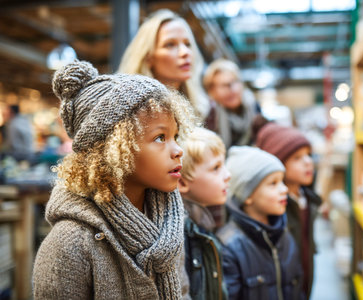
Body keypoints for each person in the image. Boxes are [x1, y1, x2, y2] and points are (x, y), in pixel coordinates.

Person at [32, 60, 196, 299]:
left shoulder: (168, 225)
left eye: (175, 136)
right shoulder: (69, 244)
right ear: (115, 147)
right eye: (160, 137)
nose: (178, 150)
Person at [217, 146, 305, 300]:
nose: (284, 189)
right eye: (273, 183)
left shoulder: (284, 234)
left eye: (282, 181)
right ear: (248, 195)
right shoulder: (228, 246)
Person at [256, 123, 323, 299]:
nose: (308, 162)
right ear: (278, 162)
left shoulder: (307, 199)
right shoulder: (274, 207)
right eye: (297, 158)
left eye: (308, 155)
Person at [118, 9, 209, 120]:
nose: (185, 52)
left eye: (188, 44)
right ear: (148, 57)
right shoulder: (132, 113)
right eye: (170, 44)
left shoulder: (202, 106)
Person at [178, 127, 230, 300]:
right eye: (216, 168)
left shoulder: (200, 224)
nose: (227, 175)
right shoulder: (181, 235)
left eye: (224, 164)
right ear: (182, 182)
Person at [203, 59, 264, 149]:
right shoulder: (210, 116)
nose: (231, 90)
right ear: (211, 91)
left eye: (234, 82)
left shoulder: (253, 106)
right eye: (223, 85)